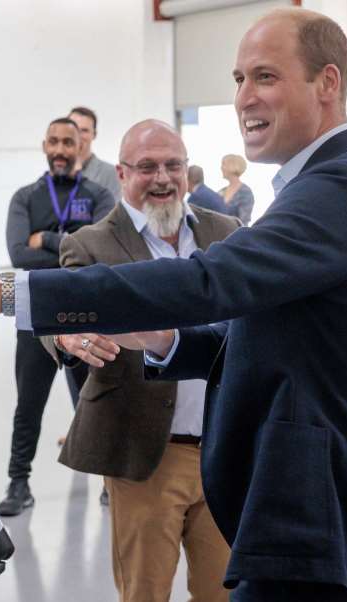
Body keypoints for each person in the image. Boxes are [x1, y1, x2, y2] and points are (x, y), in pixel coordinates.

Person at [0, 7, 347, 601]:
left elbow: (205, 283)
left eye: (264, 76)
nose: (242, 98)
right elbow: (262, 332)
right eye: (237, 79)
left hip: (319, 513)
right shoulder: (317, 187)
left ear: (327, 83)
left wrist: (5, 291)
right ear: (123, 172)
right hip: (270, 500)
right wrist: (168, 341)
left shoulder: (339, 188)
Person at [44, 120, 237, 602]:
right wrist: (68, 336)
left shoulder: (227, 232)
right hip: (146, 451)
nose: (164, 178)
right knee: (145, 593)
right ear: (123, 173)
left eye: (174, 165)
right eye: (147, 167)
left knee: (226, 592)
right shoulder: (91, 243)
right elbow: (59, 311)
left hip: (225, 448)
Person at [0, 117, 115, 516]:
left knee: (92, 400)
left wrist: (47, 239)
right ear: (44, 145)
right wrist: (74, 246)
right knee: (29, 404)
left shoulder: (99, 195)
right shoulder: (25, 197)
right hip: (34, 314)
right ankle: (18, 483)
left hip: (85, 314)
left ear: (81, 144)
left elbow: (99, 254)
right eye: (54, 141)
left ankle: (106, 479)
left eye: (69, 141)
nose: (62, 149)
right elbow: (18, 255)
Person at [68, 106, 122, 200]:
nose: (77, 135)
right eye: (74, 129)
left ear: (94, 134)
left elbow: (116, 212)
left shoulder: (111, 174)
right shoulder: (56, 172)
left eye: (84, 130)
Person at [218, 154, 255, 224]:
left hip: (235, 233)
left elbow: (243, 221)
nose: (221, 168)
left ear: (232, 166)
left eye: (223, 164)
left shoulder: (245, 192)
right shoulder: (222, 191)